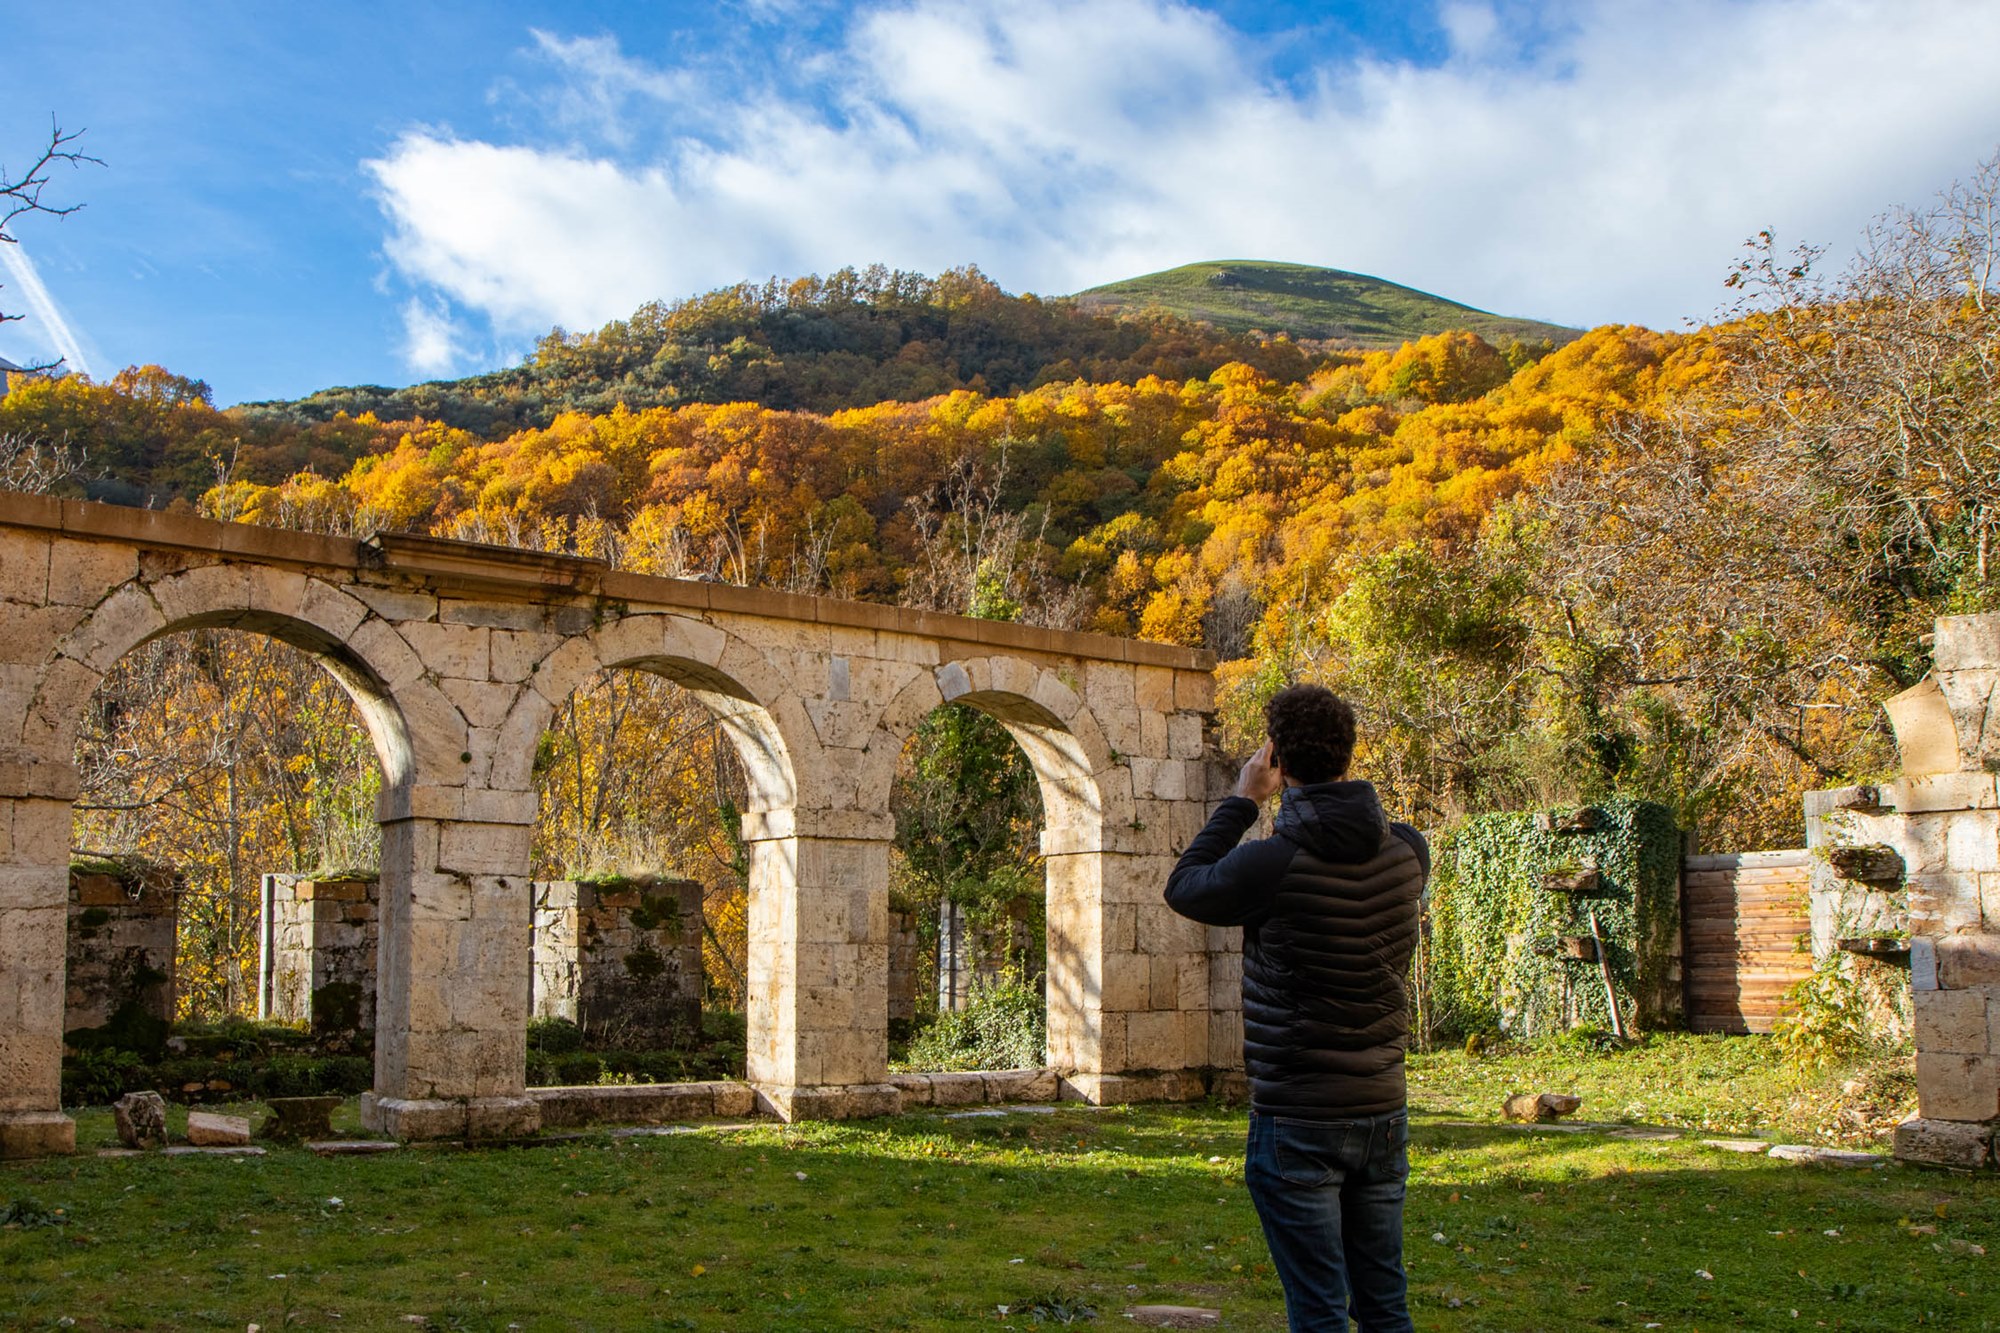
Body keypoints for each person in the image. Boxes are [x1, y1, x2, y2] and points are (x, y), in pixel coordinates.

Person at [1165, 683, 1427, 1333]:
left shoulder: (1270, 865)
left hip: (1298, 1118)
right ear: (1350, 753)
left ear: (1276, 757)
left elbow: (1185, 885)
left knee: (1317, 1308)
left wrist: (1243, 800)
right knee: (1384, 1305)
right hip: (1380, 1108)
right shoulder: (1408, 851)